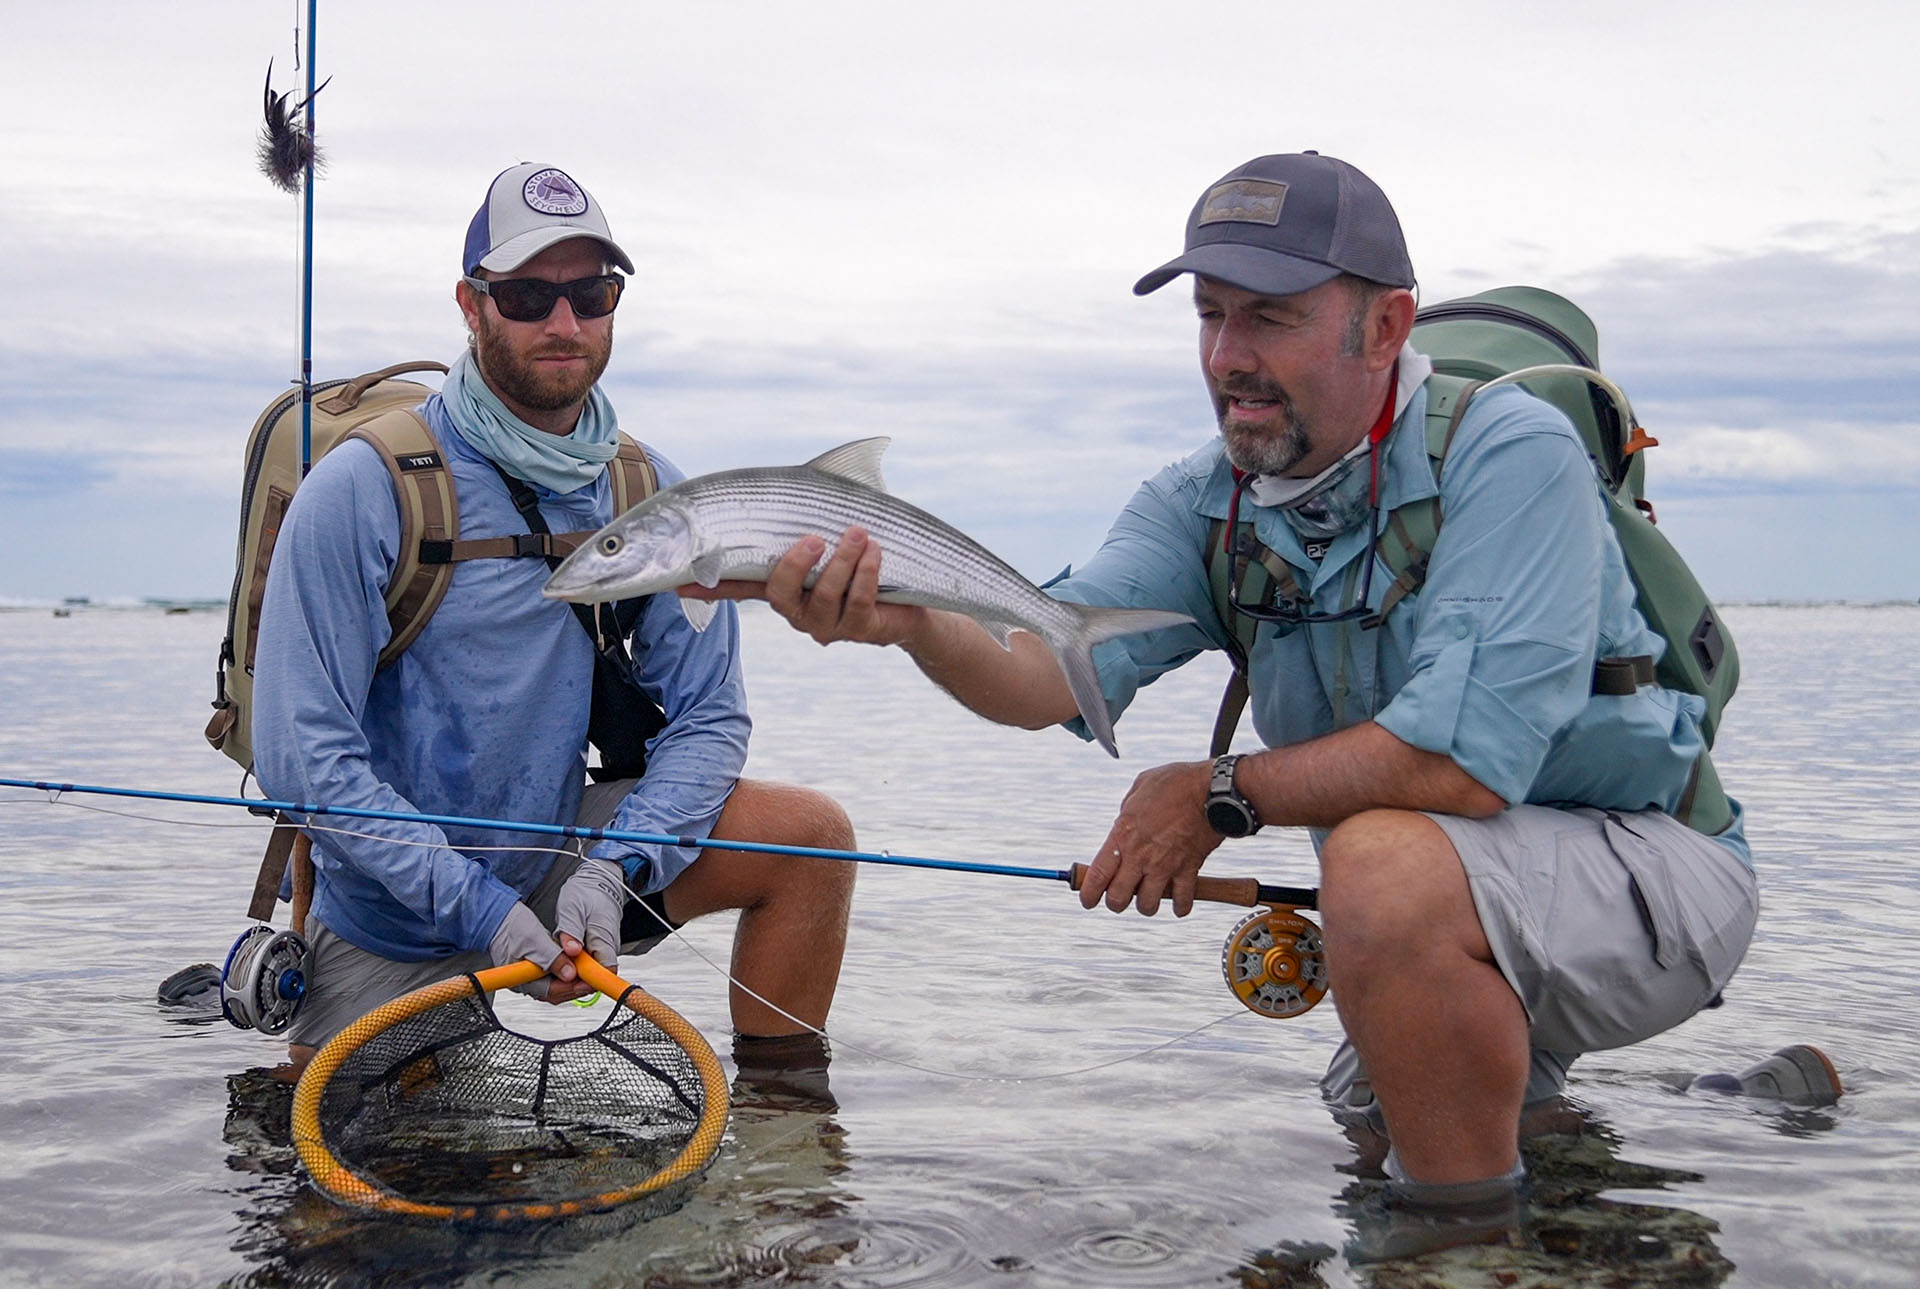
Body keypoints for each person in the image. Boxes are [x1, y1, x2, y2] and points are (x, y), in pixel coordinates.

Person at [683, 152, 1840, 1254]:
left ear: (1385, 325)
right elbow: (1041, 673)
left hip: (1657, 867)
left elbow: (1466, 766)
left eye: (1270, 316)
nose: (1228, 354)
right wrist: (912, 620)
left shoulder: (1511, 453)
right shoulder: (1203, 499)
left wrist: (1220, 791)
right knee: (1382, 1118)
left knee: (1387, 894)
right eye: (1210, 315)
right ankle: (1729, 1111)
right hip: (1456, 888)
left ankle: (1457, 1257)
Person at [251, 162, 855, 1104]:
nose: (564, 323)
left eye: (591, 293)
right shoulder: (364, 488)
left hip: (562, 862)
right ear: (472, 303)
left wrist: (616, 868)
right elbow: (305, 761)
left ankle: (787, 1142)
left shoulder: (648, 493)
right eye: (530, 295)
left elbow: (711, 720)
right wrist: (480, 911)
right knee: (332, 1212)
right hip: (389, 917)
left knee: (814, 840)